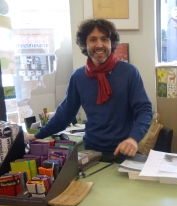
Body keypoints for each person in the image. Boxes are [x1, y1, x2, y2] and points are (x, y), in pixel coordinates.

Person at [28, 18, 152, 163]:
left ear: (111, 43)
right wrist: (38, 136)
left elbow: (144, 110)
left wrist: (133, 138)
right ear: (85, 44)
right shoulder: (78, 76)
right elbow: (65, 114)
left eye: (104, 39)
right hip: (92, 153)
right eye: (93, 39)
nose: (99, 45)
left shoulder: (129, 72)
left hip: (124, 152)